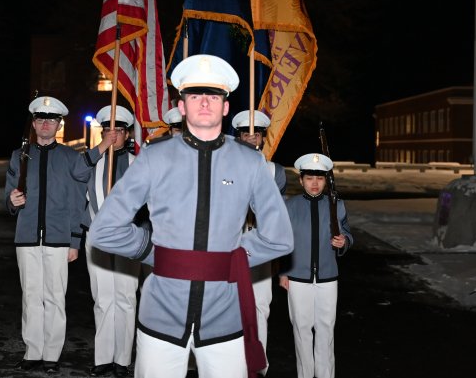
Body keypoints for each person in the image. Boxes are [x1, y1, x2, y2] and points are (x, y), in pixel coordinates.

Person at [87, 54, 294, 378]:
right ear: (182, 106)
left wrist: (232, 259)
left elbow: (279, 237)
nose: (205, 103)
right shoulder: (154, 158)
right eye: (195, 96)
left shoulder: (250, 162)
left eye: (214, 96)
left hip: (225, 315)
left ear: (226, 107)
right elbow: (104, 231)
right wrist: (155, 253)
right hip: (161, 314)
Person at [5, 96, 111, 373]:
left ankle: (51, 354)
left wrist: (75, 240)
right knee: (30, 296)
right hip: (26, 237)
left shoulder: (70, 157)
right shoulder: (19, 156)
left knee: (54, 297)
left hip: (59, 237)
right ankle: (32, 352)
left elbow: (78, 201)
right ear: (34, 124)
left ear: (59, 125)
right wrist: (11, 201)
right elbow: (9, 194)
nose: (45, 124)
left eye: (51, 120)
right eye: (40, 119)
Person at [279, 153, 353, 378]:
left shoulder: (336, 205)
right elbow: (283, 242)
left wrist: (343, 241)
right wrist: (283, 272)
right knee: (302, 329)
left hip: (327, 276)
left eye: (319, 179)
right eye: (309, 178)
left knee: (326, 329)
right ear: (301, 180)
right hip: (298, 276)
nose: (314, 183)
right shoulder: (290, 206)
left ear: (326, 181)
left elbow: (347, 233)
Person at [85, 105, 140, 377]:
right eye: (108, 129)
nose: (113, 134)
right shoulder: (89, 162)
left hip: (128, 237)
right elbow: (75, 178)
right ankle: (103, 357)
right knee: (103, 298)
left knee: (126, 298)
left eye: (119, 129)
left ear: (127, 134)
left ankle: (122, 359)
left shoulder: (137, 164)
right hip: (97, 236)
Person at [231, 109, 286, 375]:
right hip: (231, 246)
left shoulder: (275, 171)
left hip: (260, 247)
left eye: (256, 134)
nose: (252, 139)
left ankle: (258, 366)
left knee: (260, 306)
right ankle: (234, 365)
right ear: (238, 138)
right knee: (231, 307)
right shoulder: (225, 167)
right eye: (246, 134)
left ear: (263, 138)